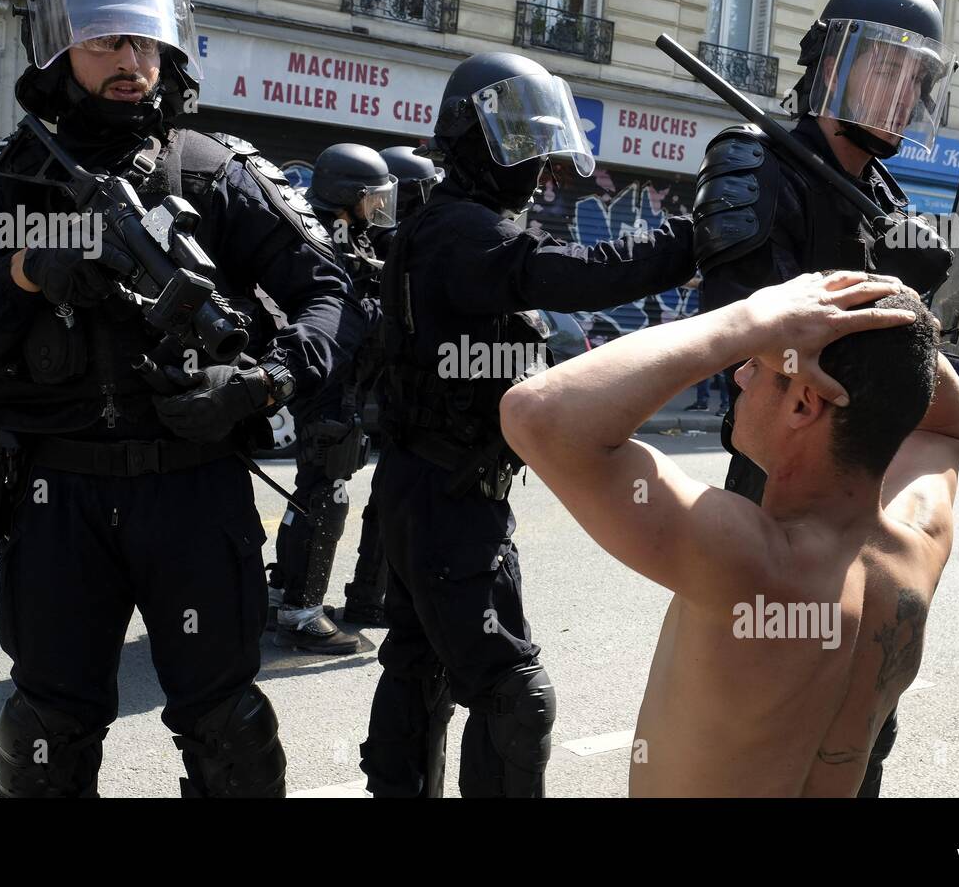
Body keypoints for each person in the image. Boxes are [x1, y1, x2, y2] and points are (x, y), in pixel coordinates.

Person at [0, 0, 365, 796]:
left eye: (147, 45)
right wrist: (25, 273)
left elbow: (333, 297)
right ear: (55, 51)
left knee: (226, 724)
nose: (133, 63)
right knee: (50, 722)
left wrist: (265, 381)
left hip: (193, 490)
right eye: (107, 43)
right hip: (55, 496)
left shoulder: (214, 169)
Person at [363, 50, 697, 798]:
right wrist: (690, 240)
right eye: (519, 142)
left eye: (539, 145)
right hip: (447, 497)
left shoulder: (447, 224)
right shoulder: (463, 232)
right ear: (471, 137)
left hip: (431, 486)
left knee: (419, 666)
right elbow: (577, 274)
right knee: (515, 694)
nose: (537, 165)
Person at [502, 271, 959, 796]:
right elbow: (948, 427)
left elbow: (537, 414)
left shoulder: (748, 557)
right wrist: (896, 318)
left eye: (758, 361)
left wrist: (754, 317)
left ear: (803, 405)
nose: (741, 375)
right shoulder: (916, 545)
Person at [692, 0, 958, 796]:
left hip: (866, 479)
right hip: (780, 474)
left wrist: (921, 300)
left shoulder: (885, 195)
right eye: (882, 69)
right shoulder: (756, 164)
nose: (899, 93)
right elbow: (748, 341)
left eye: (913, 79)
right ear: (831, 67)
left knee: (861, 717)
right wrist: (867, 289)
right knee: (764, 714)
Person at [266, 143, 393, 654]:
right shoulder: (329, 246)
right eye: (371, 198)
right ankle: (301, 613)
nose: (379, 208)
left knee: (311, 489)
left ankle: (281, 596)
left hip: (328, 382)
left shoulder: (328, 235)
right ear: (348, 198)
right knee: (326, 492)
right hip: (329, 387)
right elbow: (348, 314)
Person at [341, 145, 445, 627]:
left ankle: (365, 594)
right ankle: (363, 596)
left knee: (380, 495)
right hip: (394, 388)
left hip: (381, 384)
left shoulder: (371, 238)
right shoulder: (397, 242)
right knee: (390, 498)